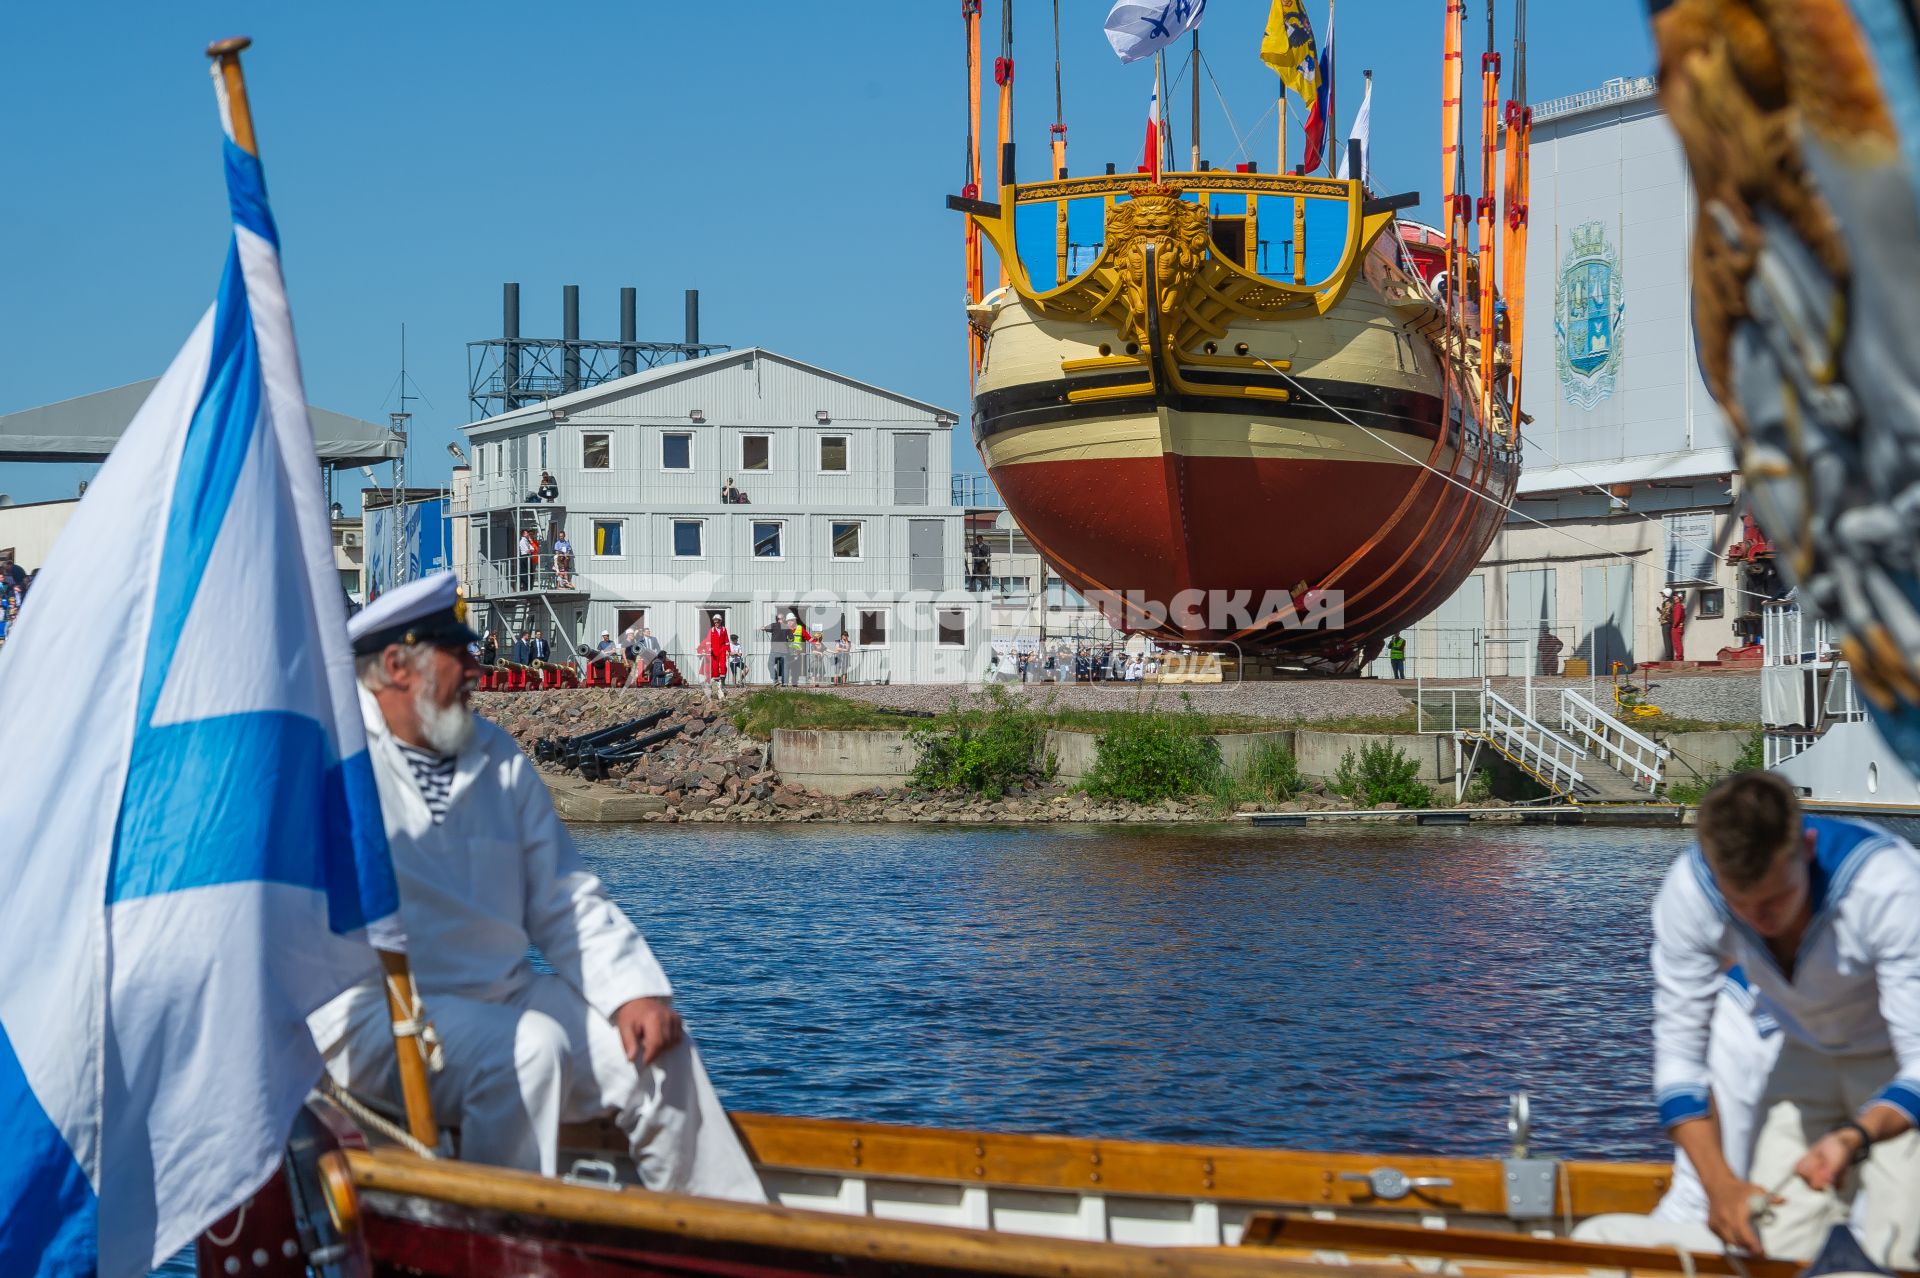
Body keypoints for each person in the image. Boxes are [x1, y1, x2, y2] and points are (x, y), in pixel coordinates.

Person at [309, 573, 763, 1198]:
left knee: (657, 1052)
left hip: (499, 993)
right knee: (530, 1052)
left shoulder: (494, 754)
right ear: (396, 666)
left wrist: (632, 992)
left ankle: (727, 1237)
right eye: (458, 653)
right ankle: (507, 1245)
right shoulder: (333, 759)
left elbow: (562, 896)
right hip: (375, 1018)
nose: (476, 668)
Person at [1651, 772, 1920, 1264]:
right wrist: (1720, 1185)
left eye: (1776, 898)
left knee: (1898, 1249)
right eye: (1741, 905)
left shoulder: (1890, 886)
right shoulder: (1692, 890)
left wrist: (1856, 1135)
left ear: (1808, 848)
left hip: (1894, 1062)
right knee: (1769, 1242)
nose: (1762, 920)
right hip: (1803, 1053)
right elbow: (1679, 1064)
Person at [1574, 966, 1786, 1250]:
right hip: (1731, 1220)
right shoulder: (1744, 999)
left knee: (1593, 1237)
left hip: (1741, 1230)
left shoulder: (1727, 1006)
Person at [703, 612, 731, 701]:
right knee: (714, 666)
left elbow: (726, 640)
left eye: (717, 621)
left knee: (722, 665)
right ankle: (716, 682)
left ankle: (722, 681)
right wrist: (709, 649)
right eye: (715, 622)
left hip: (722, 649)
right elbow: (708, 640)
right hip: (714, 650)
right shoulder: (711, 630)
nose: (716, 623)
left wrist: (728, 650)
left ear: (720, 621)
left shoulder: (724, 629)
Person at [764, 611, 790, 686]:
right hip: (784, 650)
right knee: (784, 667)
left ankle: (775, 679)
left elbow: (765, 628)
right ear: (783, 619)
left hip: (775, 650)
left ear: (776, 619)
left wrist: (763, 628)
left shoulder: (773, 625)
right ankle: (785, 683)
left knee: (770, 664)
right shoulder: (787, 627)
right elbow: (792, 638)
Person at [1670, 589, 1689, 664]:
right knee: (1678, 642)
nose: (1674, 599)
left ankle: (1679, 657)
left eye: (1675, 598)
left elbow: (1677, 617)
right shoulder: (1681, 606)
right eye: (1674, 597)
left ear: (1679, 598)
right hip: (1679, 627)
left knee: (1677, 642)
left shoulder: (1678, 606)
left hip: (1676, 627)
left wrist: (1674, 625)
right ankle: (1679, 656)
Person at [1658, 589, 1677, 662]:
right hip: (1667, 622)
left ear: (1666, 594)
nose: (1661, 595)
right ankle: (1670, 656)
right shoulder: (1667, 602)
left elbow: (1667, 613)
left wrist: (1661, 617)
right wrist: (1660, 611)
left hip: (1666, 623)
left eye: (1662, 594)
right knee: (1668, 640)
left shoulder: (1668, 602)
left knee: (1667, 640)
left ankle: (1668, 657)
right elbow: (1666, 612)